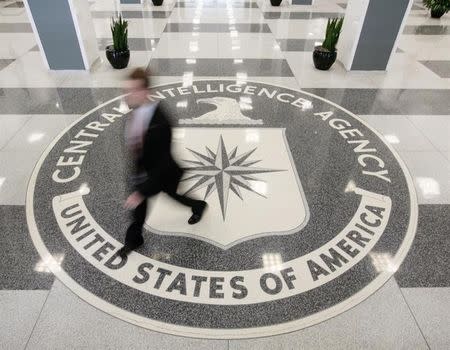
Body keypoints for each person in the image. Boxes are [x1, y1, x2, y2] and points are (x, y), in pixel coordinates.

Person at [118, 68, 207, 258]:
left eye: (132, 90)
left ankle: (198, 205)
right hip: (143, 171)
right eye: (127, 90)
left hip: (163, 173)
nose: (128, 95)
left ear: (145, 92)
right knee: (139, 211)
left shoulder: (161, 122)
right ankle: (134, 240)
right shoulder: (135, 111)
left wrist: (141, 192)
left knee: (174, 196)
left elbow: (163, 163)